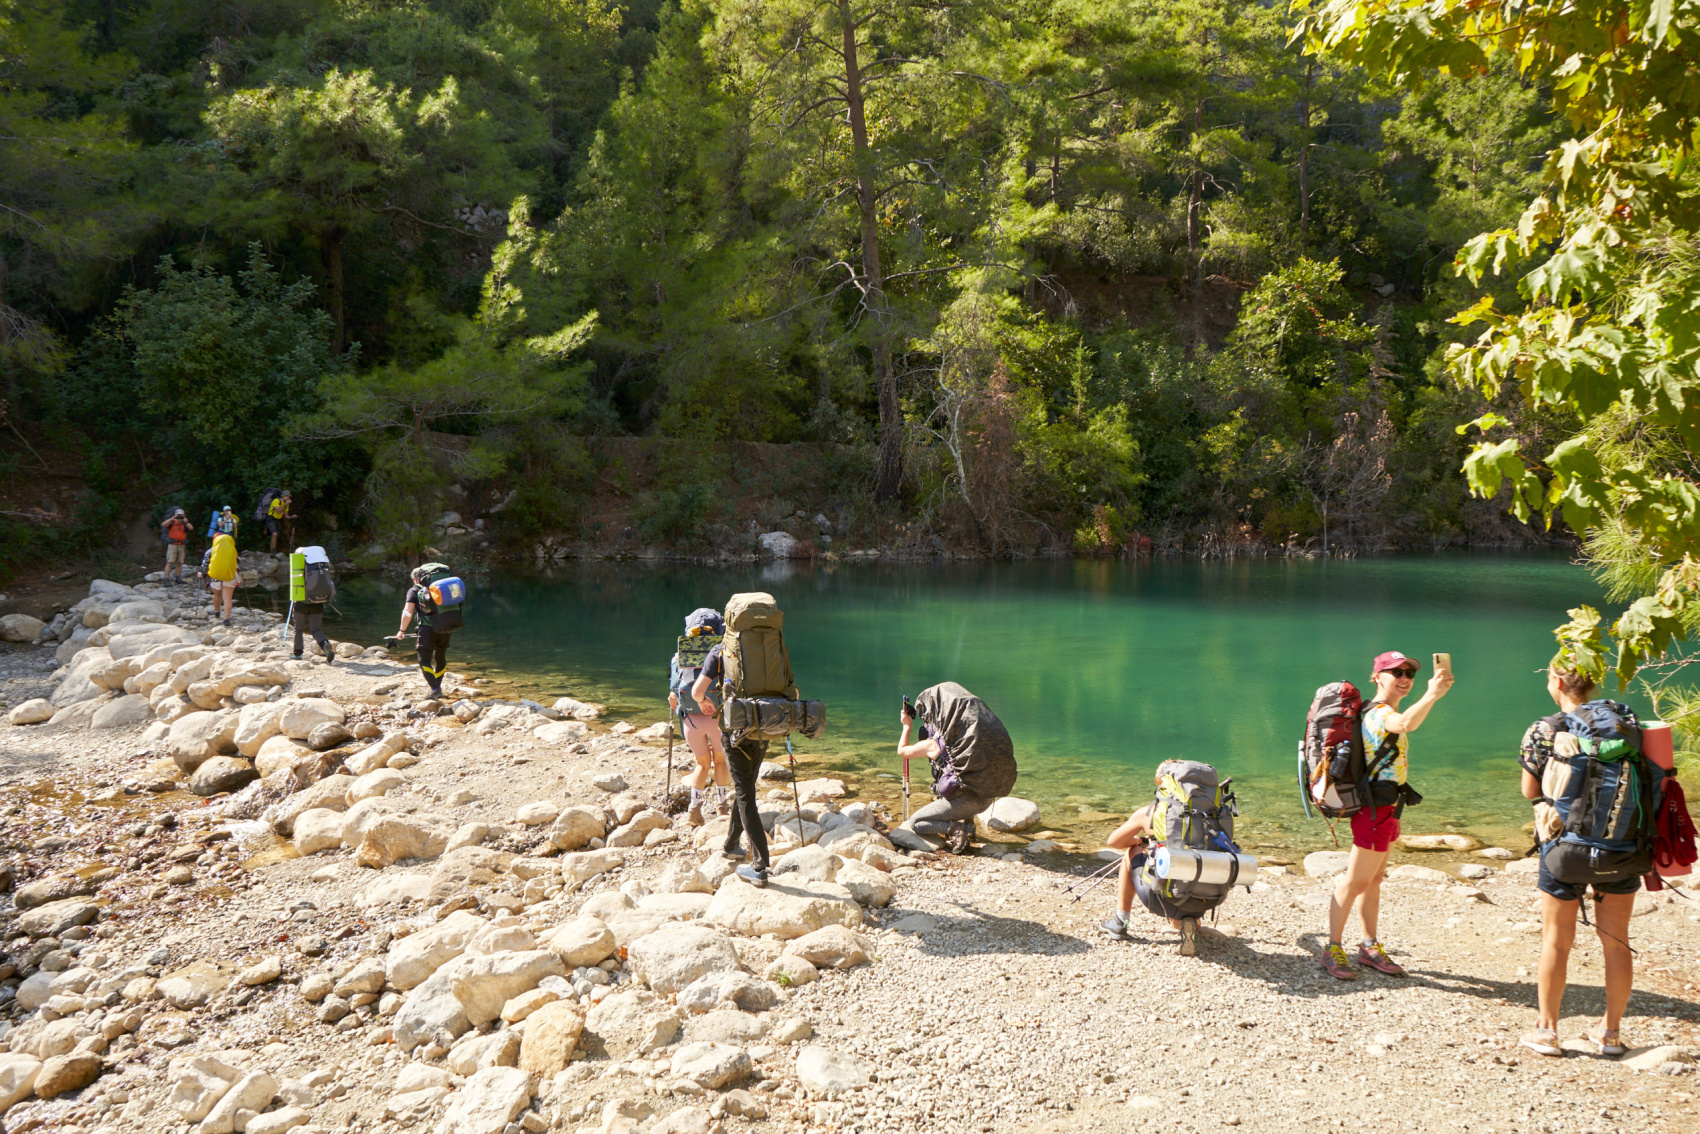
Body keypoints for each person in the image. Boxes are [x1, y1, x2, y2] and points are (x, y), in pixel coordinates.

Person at [1516, 667, 1640, 1058]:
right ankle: (1610, 1034)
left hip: (1563, 849)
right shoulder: (1626, 722)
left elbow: (1528, 790)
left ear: (1556, 682)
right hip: (1622, 848)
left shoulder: (1545, 728)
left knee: (1556, 940)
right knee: (1616, 943)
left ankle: (1547, 1031)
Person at [1322, 650, 1452, 980]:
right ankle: (1333, 948)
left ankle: (1368, 946)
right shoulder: (1379, 714)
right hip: (1374, 811)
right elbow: (1405, 723)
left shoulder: (1381, 710)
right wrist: (1432, 694)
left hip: (1389, 809)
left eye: (1409, 672)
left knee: (1374, 880)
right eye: (1397, 672)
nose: (1405, 678)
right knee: (1355, 881)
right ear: (1377, 676)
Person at [895, 682, 1018, 854]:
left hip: (967, 803)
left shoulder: (933, 744)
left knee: (916, 822)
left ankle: (957, 829)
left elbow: (903, 751)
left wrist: (906, 725)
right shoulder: (966, 740)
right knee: (962, 778)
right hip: (987, 796)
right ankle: (969, 827)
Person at [691, 641, 769, 887]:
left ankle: (759, 866)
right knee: (746, 785)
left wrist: (703, 702)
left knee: (745, 791)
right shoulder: (770, 645)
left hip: (734, 728)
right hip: (765, 727)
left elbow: (696, 692)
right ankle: (732, 845)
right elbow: (793, 693)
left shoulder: (721, 650)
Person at [669, 608, 730, 827]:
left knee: (702, 764)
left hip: (691, 721)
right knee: (721, 760)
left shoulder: (679, 656)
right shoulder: (722, 653)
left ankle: (694, 810)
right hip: (717, 717)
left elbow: (673, 695)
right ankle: (722, 807)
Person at [397, 563, 455, 697]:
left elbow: (408, 612)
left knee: (423, 660)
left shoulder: (414, 591)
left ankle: (435, 690)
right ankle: (438, 686)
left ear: (417, 578)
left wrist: (402, 630)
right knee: (440, 658)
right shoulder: (441, 590)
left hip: (427, 629)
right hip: (446, 627)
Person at [196, 531, 240, 623]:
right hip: (229, 576)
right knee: (227, 598)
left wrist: (201, 573)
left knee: (217, 595)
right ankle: (226, 619)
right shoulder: (232, 550)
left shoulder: (210, 551)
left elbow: (204, 565)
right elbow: (236, 563)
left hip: (215, 577)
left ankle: (217, 612)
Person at [159, 508, 191, 585]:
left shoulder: (184, 523)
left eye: (181, 515)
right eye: (178, 515)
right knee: (170, 562)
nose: (179, 517)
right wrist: (172, 518)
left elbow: (191, 528)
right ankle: (166, 579)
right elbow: (163, 524)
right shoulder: (171, 522)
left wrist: (186, 522)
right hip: (172, 545)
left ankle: (178, 578)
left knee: (179, 562)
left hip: (181, 545)